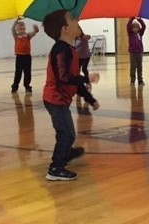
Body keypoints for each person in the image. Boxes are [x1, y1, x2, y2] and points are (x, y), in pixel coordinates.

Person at [42, 10, 99, 181]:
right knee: (67, 134)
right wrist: (86, 78)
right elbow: (64, 77)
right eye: (72, 19)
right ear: (64, 28)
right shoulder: (60, 49)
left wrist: (90, 99)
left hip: (60, 99)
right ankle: (56, 168)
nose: (77, 21)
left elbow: (74, 83)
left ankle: (65, 153)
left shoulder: (70, 49)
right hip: (55, 99)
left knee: (67, 133)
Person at [11, 18, 39, 94]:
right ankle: (15, 86)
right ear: (17, 30)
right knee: (18, 73)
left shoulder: (27, 36)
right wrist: (16, 21)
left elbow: (33, 33)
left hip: (27, 57)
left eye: (23, 29)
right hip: (19, 57)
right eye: (20, 29)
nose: (22, 30)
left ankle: (27, 86)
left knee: (27, 72)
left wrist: (36, 30)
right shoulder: (16, 36)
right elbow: (12, 29)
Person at [127, 16, 146, 86]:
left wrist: (139, 19)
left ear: (139, 28)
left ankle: (140, 81)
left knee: (139, 67)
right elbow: (128, 26)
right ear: (132, 29)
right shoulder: (130, 34)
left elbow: (144, 26)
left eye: (137, 28)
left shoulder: (140, 33)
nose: (135, 29)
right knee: (133, 67)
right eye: (134, 28)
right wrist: (132, 18)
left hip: (139, 52)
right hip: (132, 53)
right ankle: (132, 80)